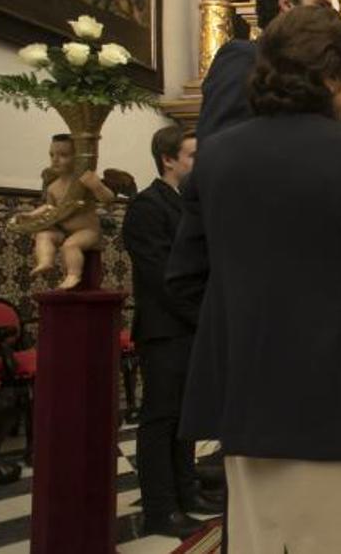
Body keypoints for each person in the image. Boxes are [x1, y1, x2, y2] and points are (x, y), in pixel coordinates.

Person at [167, 5, 341, 553]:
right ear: (331, 75)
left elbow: (186, 280)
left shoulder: (215, 157)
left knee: (261, 544)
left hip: (249, 408)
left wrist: (244, 349)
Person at [121, 126, 218, 539]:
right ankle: (160, 508)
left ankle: (187, 491)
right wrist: (204, 316)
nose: (200, 164)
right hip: (165, 329)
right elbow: (164, 277)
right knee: (160, 418)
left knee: (184, 417)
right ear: (169, 159)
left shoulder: (189, 204)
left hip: (190, 325)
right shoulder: (147, 207)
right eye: (193, 156)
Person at [194, 0, 334, 142]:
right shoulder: (242, 57)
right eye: (320, 6)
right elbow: (219, 139)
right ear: (287, 3)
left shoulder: (314, 68)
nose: (329, 17)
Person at [11, 134, 115, 289]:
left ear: (77, 158)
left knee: (70, 245)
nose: (55, 159)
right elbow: (49, 207)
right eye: (52, 155)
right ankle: (46, 261)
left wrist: (97, 186)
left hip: (87, 231)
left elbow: (108, 199)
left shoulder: (84, 181)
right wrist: (31, 215)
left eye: (63, 155)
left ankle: (73, 275)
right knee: (43, 235)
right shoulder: (53, 186)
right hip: (63, 230)